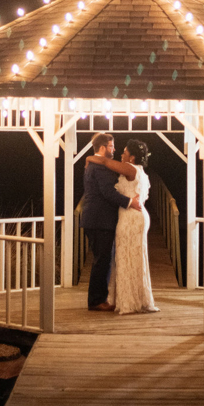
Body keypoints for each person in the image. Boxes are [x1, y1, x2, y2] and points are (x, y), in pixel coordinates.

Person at [86, 138, 159, 314]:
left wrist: (89, 158)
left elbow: (104, 161)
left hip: (131, 217)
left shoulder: (129, 168)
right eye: (115, 147)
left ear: (132, 158)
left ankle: (128, 299)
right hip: (135, 215)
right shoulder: (139, 171)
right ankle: (132, 298)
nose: (121, 153)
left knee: (126, 258)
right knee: (131, 258)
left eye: (125, 152)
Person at [80, 133, 142, 311]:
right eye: (111, 146)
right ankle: (96, 300)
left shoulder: (94, 164)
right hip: (100, 220)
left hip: (97, 219)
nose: (114, 149)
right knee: (102, 260)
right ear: (102, 148)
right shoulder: (99, 167)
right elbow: (108, 192)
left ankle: (97, 298)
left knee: (101, 259)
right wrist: (130, 202)